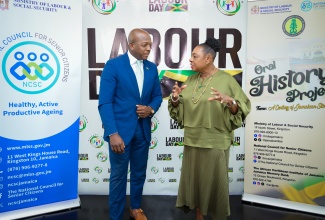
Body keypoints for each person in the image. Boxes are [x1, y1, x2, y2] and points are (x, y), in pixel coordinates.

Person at [168, 37, 251, 220]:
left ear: (208, 59)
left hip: (215, 142)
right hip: (192, 140)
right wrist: (174, 99)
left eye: (194, 56)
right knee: (196, 182)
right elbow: (178, 110)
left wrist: (232, 103)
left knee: (214, 184)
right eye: (191, 56)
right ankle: (199, 216)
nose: (190, 59)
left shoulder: (226, 80)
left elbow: (241, 108)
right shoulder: (190, 80)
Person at [98, 28, 162, 220]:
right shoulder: (114, 65)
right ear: (131, 45)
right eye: (145, 45)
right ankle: (116, 216)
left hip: (142, 132)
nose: (149, 48)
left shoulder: (152, 68)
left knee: (139, 173)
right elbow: (105, 102)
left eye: (150, 44)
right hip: (120, 134)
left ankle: (135, 208)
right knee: (118, 177)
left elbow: (157, 96)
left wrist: (150, 109)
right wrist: (112, 133)